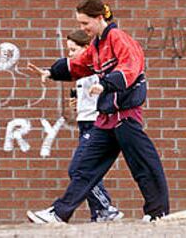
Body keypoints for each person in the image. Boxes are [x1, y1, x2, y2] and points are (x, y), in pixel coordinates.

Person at [27, 0, 169, 224]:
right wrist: (51, 72)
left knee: (143, 165)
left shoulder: (119, 39)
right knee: (84, 169)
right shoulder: (97, 45)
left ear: (99, 18)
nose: (83, 29)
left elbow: (130, 68)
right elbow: (79, 64)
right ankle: (59, 213)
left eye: (85, 23)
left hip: (125, 116)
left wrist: (105, 84)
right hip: (105, 120)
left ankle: (157, 213)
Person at [28, 30, 124, 223]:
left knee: (78, 169)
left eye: (73, 50)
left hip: (95, 124)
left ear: (87, 49)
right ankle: (102, 211)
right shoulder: (79, 72)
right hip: (85, 123)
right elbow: (81, 92)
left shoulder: (96, 71)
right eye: (68, 50)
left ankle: (105, 208)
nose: (70, 54)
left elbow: (106, 90)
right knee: (85, 169)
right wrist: (77, 102)